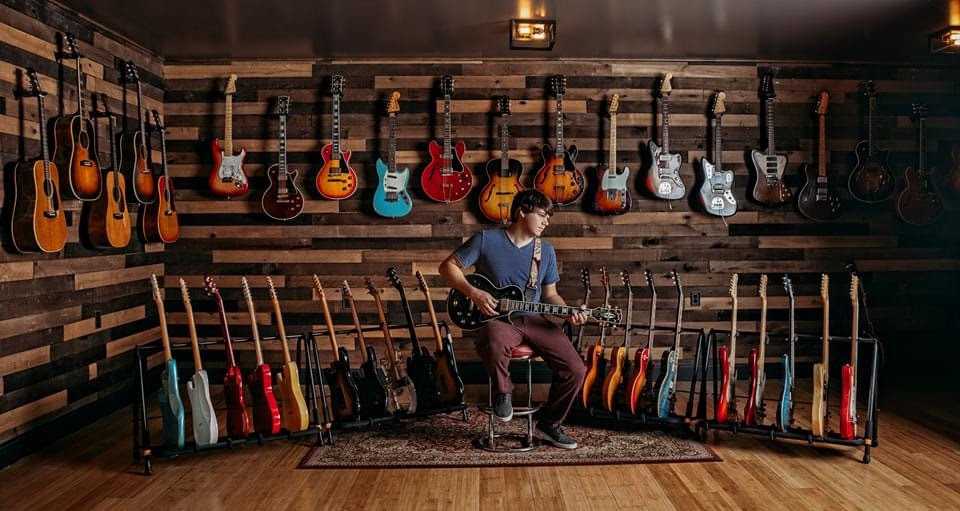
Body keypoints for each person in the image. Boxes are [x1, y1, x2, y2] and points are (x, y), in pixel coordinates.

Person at [439, 189, 588, 449]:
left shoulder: (546, 251)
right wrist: (473, 293)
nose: (546, 222)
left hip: (533, 318)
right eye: (542, 215)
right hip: (498, 319)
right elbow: (447, 267)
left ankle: (549, 424)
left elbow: (551, 295)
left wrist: (568, 313)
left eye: (548, 217)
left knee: (576, 369)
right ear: (522, 212)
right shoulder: (486, 240)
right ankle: (502, 392)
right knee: (494, 339)